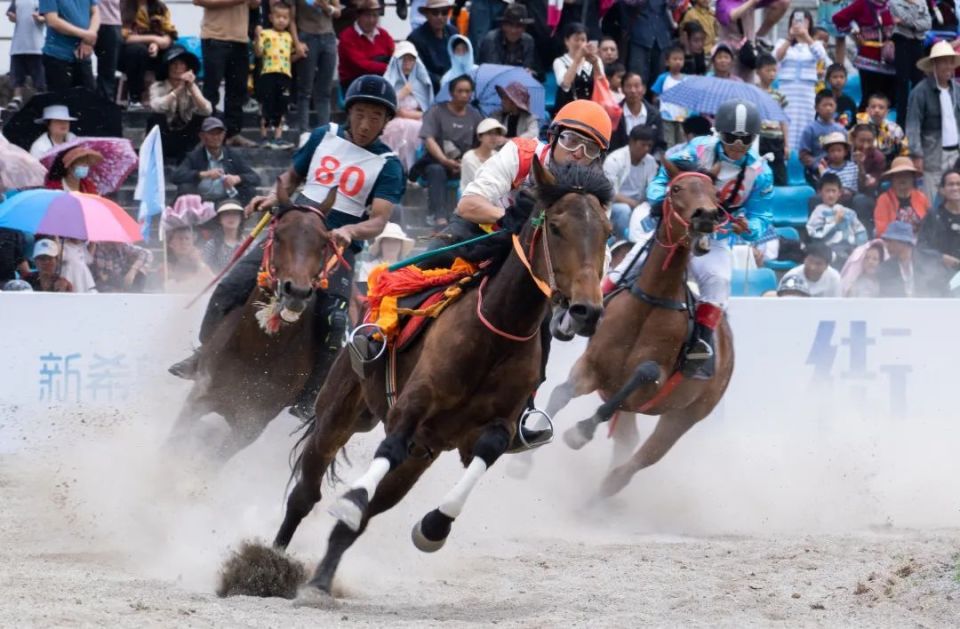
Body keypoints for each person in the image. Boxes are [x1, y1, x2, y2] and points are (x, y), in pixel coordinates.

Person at [168, 75, 405, 422]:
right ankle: (202, 356)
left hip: (335, 245)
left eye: (375, 117)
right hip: (292, 229)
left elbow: (380, 219)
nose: (366, 124)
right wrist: (272, 196)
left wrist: (350, 230)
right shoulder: (324, 135)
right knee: (232, 286)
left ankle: (311, 395)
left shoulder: (389, 164)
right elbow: (292, 178)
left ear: (386, 122)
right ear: (349, 112)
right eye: (360, 114)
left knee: (335, 319)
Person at [453, 98, 613, 445]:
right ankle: (382, 334)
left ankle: (524, 410)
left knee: (538, 331)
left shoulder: (594, 193)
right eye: (570, 141)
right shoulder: (521, 153)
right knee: (431, 267)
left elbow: (599, 252)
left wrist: (578, 297)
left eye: (589, 149)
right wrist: (504, 218)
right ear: (553, 137)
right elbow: (467, 204)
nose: (576, 154)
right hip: (484, 238)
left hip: (530, 269)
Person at [641, 100, 773, 376]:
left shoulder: (760, 173)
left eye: (745, 139)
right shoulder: (697, 149)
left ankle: (700, 343)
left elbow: (763, 216)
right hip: (677, 227)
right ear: (718, 133)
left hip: (715, 236)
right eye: (730, 137)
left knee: (719, 281)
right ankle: (602, 304)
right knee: (630, 259)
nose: (737, 145)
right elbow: (663, 175)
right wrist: (657, 200)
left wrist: (749, 227)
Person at [417, 74, 484, 226]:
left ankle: (473, 214)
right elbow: (428, 139)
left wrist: (467, 161)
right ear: (452, 92)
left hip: (464, 162)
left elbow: (482, 140)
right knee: (436, 170)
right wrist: (444, 160)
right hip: (437, 161)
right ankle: (438, 215)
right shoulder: (436, 111)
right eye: (460, 91)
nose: (464, 95)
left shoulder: (475, 115)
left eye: (467, 91)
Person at [197, 0, 259, 149]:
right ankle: (207, 133)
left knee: (238, 89)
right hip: (214, 36)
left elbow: (254, 5)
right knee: (211, 89)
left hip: (240, 38)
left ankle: (233, 133)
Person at [906, 41, 960, 202]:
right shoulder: (920, 92)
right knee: (930, 200)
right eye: (944, 62)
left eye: (950, 62)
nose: (948, 66)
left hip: (956, 154)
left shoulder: (957, 89)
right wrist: (916, 155)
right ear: (934, 64)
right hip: (933, 154)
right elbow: (913, 125)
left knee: (956, 197)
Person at [170, 117, 261, 205]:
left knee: (249, 190)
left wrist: (237, 178)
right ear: (202, 136)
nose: (216, 137)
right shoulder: (194, 156)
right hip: (201, 203)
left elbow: (255, 178)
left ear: (224, 135)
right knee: (185, 188)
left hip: (227, 203)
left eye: (219, 133)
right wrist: (204, 174)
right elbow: (176, 176)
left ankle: (240, 218)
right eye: (211, 133)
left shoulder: (232, 155)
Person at [775, 10, 830, 153]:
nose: (799, 23)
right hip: (787, 90)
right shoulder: (783, 42)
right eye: (796, 19)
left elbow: (821, 56)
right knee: (785, 120)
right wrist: (789, 38)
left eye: (804, 20)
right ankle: (786, 153)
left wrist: (806, 36)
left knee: (805, 122)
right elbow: (776, 57)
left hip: (806, 93)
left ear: (809, 23)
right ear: (790, 22)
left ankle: (803, 155)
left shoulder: (814, 44)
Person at [147, 46, 213, 164]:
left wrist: (191, 87)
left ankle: (187, 157)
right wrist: (177, 91)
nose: (177, 68)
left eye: (182, 64)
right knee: (155, 118)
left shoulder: (193, 86)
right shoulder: (157, 87)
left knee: (203, 118)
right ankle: (157, 158)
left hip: (184, 136)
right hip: (164, 136)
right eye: (173, 64)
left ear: (187, 68)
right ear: (167, 67)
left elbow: (207, 110)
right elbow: (156, 107)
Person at [832, 0, 895, 110]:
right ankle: (862, 125)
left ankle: (883, 126)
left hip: (889, 59)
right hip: (869, 61)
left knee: (889, 99)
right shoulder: (862, 3)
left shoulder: (892, 4)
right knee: (869, 98)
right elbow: (838, 18)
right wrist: (854, 31)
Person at [381, 41, 433, 173]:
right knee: (398, 127)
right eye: (404, 60)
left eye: (411, 60)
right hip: (393, 121)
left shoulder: (422, 82)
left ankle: (414, 170)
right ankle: (396, 168)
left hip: (418, 119)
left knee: (421, 128)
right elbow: (386, 107)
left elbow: (428, 109)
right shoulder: (388, 80)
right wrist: (401, 94)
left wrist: (410, 115)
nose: (407, 63)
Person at [291, 0, 340, 132]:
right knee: (305, 89)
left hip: (328, 36)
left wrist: (326, 7)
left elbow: (337, 11)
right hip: (306, 35)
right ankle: (304, 131)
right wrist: (296, 43)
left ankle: (324, 131)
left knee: (324, 90)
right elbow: (291, 19)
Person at [603, 125, 658, 241]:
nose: (647, 149)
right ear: (632, 142)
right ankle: (624, 243)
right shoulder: (614, 159)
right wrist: (633, 204)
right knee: (624, 210)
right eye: (643, 145)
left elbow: (652, 188)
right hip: (614, 205)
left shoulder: (651, 162)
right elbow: (609, 192)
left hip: (639, 205)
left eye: (649, 146)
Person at [119, 0, 176, 110]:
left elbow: (169, 32)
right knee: (137, 51)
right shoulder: (122, 6)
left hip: (154, 49)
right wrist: (153, 39)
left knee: (176, 51)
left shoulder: (160, 7)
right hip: (128, 53)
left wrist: (158, 44)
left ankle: (167, 94)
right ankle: (135, 97)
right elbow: (123, 36)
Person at [253, 0, 296, 149]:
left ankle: (278, 138)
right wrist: (257, 37)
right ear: (271, 18)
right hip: (268, 75)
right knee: (267, 106)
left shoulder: (289, 37)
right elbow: (258, 53)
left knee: (281, 107)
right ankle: (264, 137)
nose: (281, 20)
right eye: (278, 17)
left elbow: (290, 57)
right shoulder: (265, 33)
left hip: (285, 76)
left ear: (289, 19)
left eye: (285, 17)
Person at [807, 172, 868, 267]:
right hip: (830, 250)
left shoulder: (848, 212)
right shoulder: (818, 212)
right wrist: (834, 222)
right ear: (820, 192)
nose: (830, 195)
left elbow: (860, 230)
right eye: (827, 191)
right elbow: (815, 233)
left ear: (839, 193)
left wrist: (860, 248)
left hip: (850, 249)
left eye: (833, 191)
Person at [877, 220, 949, 296]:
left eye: (890, 241)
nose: (886, 245)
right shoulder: (884, 269)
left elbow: (944, 291)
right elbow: (886, 299)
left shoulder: (930, 261)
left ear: (903, 242)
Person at [39, 0, 98, 91]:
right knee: (60, 101)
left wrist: (89, 38)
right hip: (57, 56)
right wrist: (85, 35)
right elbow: (52, 21)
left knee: (89, 99)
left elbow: (95, 12)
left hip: (82, 55)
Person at [889, 0, 931, 129]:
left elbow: (928, 23)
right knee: (902, 82)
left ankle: (917, 119)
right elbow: (906, 18)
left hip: (918, 44)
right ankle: (900, 122)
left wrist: (909, 23)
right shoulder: (894, 2)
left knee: (918, 82)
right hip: (902, 43)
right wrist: (916, 21)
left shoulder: (922, 2)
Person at [337, 0, 394, 91]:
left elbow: (395, 56)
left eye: (375, 15)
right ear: (358, 16)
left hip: (381, 82)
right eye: (367, 15)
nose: (371, 20)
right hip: (355, 85)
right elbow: (361, 66)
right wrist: (389, 68)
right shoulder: (347, 36)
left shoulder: (383, 34)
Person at [407, 0, 456, 93]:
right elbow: (419, 71)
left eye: (444, 12)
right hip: (428, 89)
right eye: (435, 13)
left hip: (454, 85)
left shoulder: (453, 32)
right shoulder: (415, 38)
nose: (440, 17)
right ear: (426, 14)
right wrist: (443, 82)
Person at [6, 0, 46, 112]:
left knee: (39, 76)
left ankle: (41, 97)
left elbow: (49, 17)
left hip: (37, 45)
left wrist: (41, 19)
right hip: (18, 44)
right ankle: (17, 98)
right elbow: (11, 15)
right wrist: (12, 16)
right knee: (17, 74)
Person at [874, 156, 930, 236]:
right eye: (898, 175)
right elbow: (881, 231)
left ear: (912, 178)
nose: (902, 178)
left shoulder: (921, 197)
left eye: (906, 175)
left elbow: (930, 224)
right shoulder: (883, 200)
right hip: (893, 243)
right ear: (892, 178)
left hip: (920, 243)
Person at [755, 53, 789, 185]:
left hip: (777, 140)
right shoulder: (753, 92)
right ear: (758, 72)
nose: (771, 74)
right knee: (761, 172)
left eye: (774, 70)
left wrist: (786, 144)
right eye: (767, 70)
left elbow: (783, 121)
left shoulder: (778, 95)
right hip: (760, 140)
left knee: (779, 174)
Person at [609, 72, 664, 151]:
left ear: (644, 89)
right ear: (622, 89)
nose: (633, 90)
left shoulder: (655, 115)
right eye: (628, 86)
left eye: (637, 86)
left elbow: (660, 145)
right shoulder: (615, 113)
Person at [552, 22, 601, 111]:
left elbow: (602, 83)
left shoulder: (594, 60)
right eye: (576, 40)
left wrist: (595, 63)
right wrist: (577, 59)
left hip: (591, 110)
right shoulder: (559, 62)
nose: (580, 43)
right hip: (568, 110)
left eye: (583, 40)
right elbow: (565, 84)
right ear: (567, 41)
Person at [650, 45, 689, 149]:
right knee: (669, 142)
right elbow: (655, 96)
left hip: (682, 116)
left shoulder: (686, 79)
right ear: (667, 62)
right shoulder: (663, 78)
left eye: (680, 59)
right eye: (675, 59)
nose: (678, 62)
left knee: (682, 142)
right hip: (666, 116)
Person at [476, 2, 536, 70]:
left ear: (524, 28)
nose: (513, 30)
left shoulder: (528, 41)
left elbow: (528, 67)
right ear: (503, 25)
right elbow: (493, 70)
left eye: (518, 26)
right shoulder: (491, 39)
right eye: (510, 25)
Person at [799, 91, 846, 175]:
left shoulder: (841, 130)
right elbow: (803, 155)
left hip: (840, 171)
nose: (828, 108)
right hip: (816, 171)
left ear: (836, 107)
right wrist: (817, 166)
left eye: (831, 105)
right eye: (824, 105)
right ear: (816, 108)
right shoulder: (810, 129)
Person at [716, 0, 789, 51]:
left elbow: (781, 3)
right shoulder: (723, 2)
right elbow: (731, 16)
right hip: (730, 51)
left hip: (749, 50)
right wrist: (752, 2)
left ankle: (760, 36)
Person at [627, 0, 671, 86]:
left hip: (660, 36)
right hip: (639, 36)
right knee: (637, 73)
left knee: (660, 74)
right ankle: (637, 98)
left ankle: (656, 97)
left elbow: (674, 5)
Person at [855, 93, 908, 165]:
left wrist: (891, 141)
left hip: (888, 165)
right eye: (873, 107)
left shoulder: (895, 129)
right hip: (864, 165)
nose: (877, 110)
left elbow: (905, 152)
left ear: (887, 112)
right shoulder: (859, 126)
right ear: (867, 110)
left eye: (881, 107)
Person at [460, 117, 505, 192]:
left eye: (497, 134)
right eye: (489, 133)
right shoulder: (469, 158)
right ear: (480, 137)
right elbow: (480, 184)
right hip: (473, 198)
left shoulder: (498, 156)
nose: (493, 137)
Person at [202, 199, 246, 273]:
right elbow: (206, 269)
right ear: (219, 219)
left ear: (240, 218)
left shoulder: (250, 244)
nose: (231, 217)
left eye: (235, 213)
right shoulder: (212, 245)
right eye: (226, 214)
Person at [164, 225, 213, 290]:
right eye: (180, 239)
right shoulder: (166, 265)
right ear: (171, 244)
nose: (184, 242)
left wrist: (199, 262)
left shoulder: (201, 260)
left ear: (192, 242)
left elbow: (213, 281)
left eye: (187, 238)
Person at [823, 63, 857, 128]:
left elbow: (854, 126)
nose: (838, 80)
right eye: (835, 77)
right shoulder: (823, 100)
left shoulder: (850, 102)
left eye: (841, 77)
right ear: (828, 79)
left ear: (846, 79)